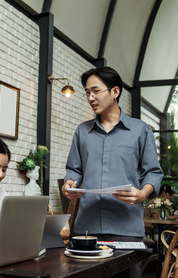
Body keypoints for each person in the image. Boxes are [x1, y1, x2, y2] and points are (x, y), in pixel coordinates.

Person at [61, 66, 163, 278]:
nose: (91, 97)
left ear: (115, 91)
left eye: (96, 91)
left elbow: (153, 172)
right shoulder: (82, 131)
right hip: (86, 230)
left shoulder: (140, 130)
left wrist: (143, 193)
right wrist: (69, 184)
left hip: (126, 229)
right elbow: (74, 169)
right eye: (87, 92)